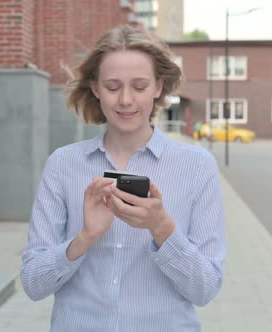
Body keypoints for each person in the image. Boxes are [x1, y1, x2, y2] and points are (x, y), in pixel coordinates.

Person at [20, 25, 226, 331]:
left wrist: (162, 228)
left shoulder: (197, 167)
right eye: (113, 86)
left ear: (159, 87)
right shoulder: (63, 165)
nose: (125, 100)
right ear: (95, 88)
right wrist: (85, 238)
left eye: (139, 86)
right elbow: (33, 284)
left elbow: (205, 289)